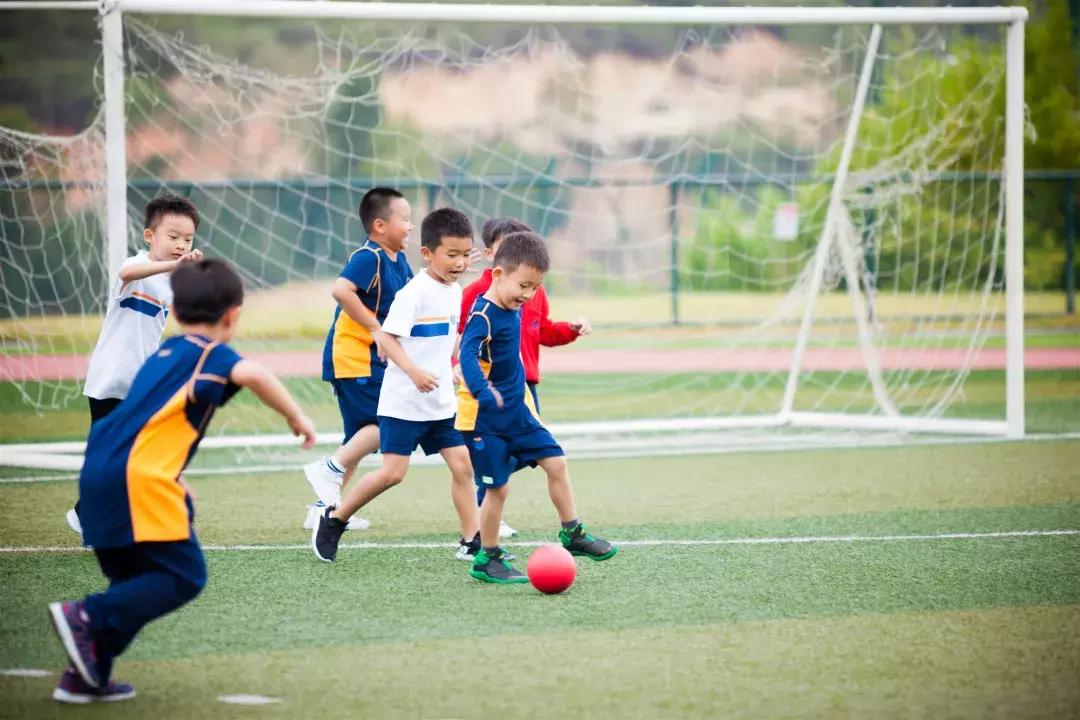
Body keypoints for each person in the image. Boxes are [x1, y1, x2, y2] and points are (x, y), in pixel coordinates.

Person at [48, 258, 316, 704]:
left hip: (98, 475)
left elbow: (150, 423)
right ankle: (85, 616)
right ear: (233, 314)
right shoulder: (212, 354)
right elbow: (252, 373)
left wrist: (173, 475)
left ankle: (85, 674)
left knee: (133, 580)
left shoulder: (162, 353)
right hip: (137, 481)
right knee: (183, 576)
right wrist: (297, 417)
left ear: (173, 312)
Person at [311, 208, 480, 563]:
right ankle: (335, 518)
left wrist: (457, 365)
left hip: (439, 402)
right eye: (451, 254)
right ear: (427, 253)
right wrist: (415, 372)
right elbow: (385, 339)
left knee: (462, 465)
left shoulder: (454, 290)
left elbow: (449, 334)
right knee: (392, 474)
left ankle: (472, 542)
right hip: (404, 401)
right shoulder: (413, 293)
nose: (460, 263)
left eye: (465, 255)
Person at [457, 231, 616, 584]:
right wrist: (481, 389)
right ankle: (487, 557)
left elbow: (537, 330)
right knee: (497, 489)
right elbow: (467, 354)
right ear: (497, 275)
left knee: (556, 462)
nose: (528, 295)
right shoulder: (482, 314)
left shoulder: (515, 305)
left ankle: (572, 533)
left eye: (534, 288)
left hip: (519, 414)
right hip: (486, 421)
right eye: (523, 286)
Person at [68, 193, 204, 536]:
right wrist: (174, 265)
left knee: (140, 450)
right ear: (149, 236)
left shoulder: (172, 282)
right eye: (173, 237)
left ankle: (109, 513)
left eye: (187, 239)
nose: (180, 245)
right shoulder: (135, 265)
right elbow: (130, 272)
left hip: (140, 383)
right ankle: (89, 515)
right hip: (109, 380)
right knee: (113, 455)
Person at [302, 187, 414, 531]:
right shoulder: (370, 257)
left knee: (357, 439)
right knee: (386, 425)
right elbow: (340, 290)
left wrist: (448, 268)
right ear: (380, 225)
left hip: (372, 360)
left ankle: (322, 509)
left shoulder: (400, 261)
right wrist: (375, 328)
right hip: (354, 359)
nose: (411, 226)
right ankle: (328, 469)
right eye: (405, 219)